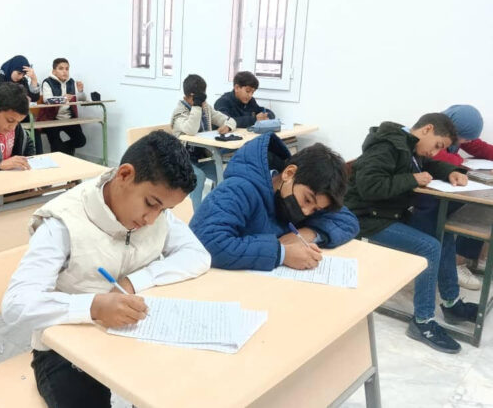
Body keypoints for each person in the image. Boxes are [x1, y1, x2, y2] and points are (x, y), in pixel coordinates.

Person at [1, 130, 211, 408]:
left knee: (176, 390)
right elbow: (16, 304)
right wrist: (93, 307)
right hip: (64, 350)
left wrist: (132, 282)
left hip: (132, 334)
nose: (152, 219)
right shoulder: (63, 222)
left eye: (164, 210)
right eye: (151, 204)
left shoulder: (156, 214)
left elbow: (197, 255)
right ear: (124, 174)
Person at [345, 113, 477, 353]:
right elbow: (369, 187)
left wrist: (451, 171)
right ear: (427, 129)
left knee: (441, 231)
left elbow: (429, 165)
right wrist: (412, 179)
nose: (435, 153)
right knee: (430, 246)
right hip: (367, 218)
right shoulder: (386, 146)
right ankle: (423, 322)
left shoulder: (409, 145)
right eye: (437, 145)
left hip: (389, 213)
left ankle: (452, 304)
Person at [190, 134, 358, 270]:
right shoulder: (239, 189)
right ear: (289, 173)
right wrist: (282, 253)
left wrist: (306, 234)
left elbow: (347, 221)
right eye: (307, 200)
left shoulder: (305, 193)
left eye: (315, 210)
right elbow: (206, 242)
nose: (306, 212)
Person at [416, 105, 491, 290]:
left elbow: (479, 147)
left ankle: (465, 257)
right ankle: (457, 263)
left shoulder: (456, 134)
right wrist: (461, 162)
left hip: (445, 187)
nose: (467, 142)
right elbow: (442, 159)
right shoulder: (432, 139)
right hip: (427, 195)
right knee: (471, 209)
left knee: (481, 206)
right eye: (465, 138)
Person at [171, 74, 236, 210]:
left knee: (224, 173)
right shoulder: (179, 112)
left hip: (202, 158)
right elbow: (191, 129)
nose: (202, 100)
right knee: (198, 177)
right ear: (190, 96)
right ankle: (196, 214)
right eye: (198, 97)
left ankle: (217, 208)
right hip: (181, 160)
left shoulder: (206, 108)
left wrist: (228, 126)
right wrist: (196, 106)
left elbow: (230, 120)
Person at [39, 58, 87, 156]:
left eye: (67, 69)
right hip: (52, 119)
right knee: (56, 144)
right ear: (54, 71)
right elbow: (47, 100)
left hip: (69, 118)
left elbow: (81, 99)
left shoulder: (71, 82)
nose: (65, 71)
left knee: (81, 141)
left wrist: (80, 91)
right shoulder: (47, 82)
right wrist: (62, 98)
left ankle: (62, 151)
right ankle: (61, 154)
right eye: (61, 68)